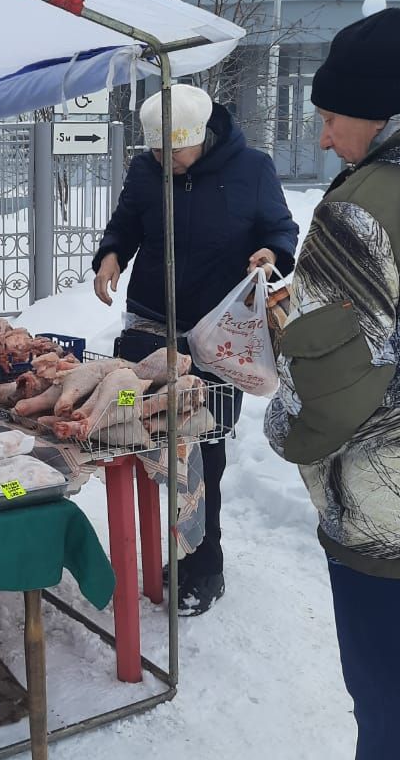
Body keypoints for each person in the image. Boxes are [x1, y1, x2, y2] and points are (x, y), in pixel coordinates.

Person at [264, 8, 400, 760]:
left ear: (382, 111)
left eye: (332, 114)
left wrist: (283, 420)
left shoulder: (373, 199)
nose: (321, 132)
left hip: (396, 511)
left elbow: (332, 387)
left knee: (396, 681)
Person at [93, 83, 298, 614]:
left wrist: (270, 253)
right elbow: (127, 224)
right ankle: (153, 543)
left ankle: (204, 562)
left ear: (202, 137)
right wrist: (111, 255)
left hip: (218, 332)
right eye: (157, 151)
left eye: (174, 152)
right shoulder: (147, 172)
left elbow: (281, 230)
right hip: (150, 323)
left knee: (204, 447)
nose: (164, 161)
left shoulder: (252, 169)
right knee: (137, 429)